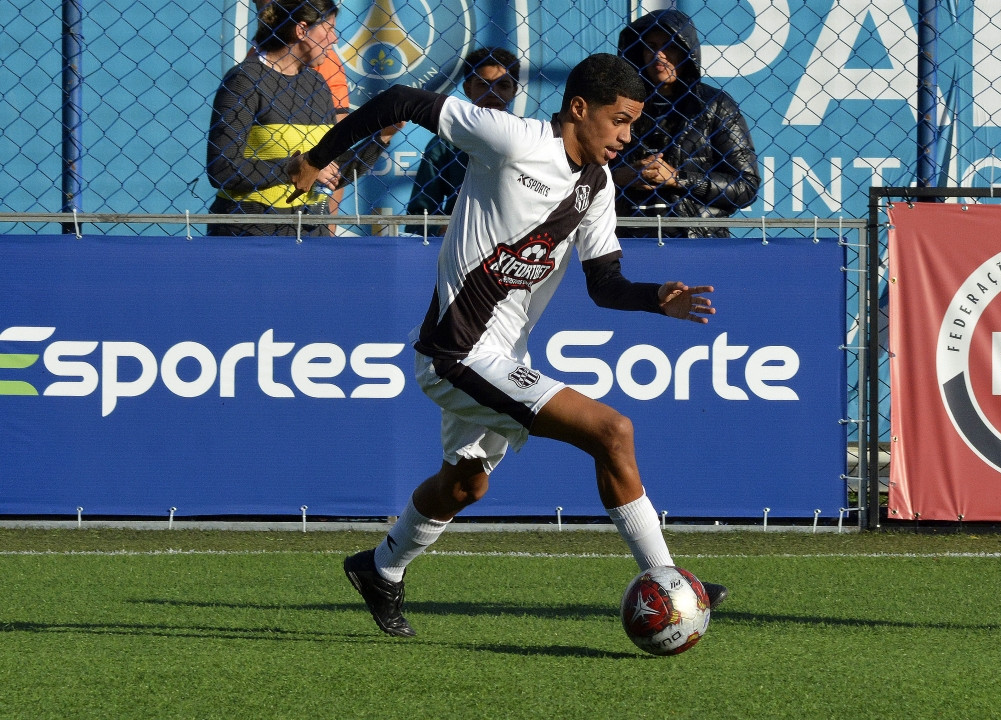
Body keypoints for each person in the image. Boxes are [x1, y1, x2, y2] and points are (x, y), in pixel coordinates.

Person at [287, 53, 728, 638]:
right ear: (579, 108)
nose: (628, 136)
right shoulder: (513, 139)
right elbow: (399, 100)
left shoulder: (595, 186)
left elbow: (605, 285)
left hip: (501, 359)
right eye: (619, 120)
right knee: (612, 431)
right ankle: (669, 581)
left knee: (467, 483)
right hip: (456, 354)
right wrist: (316, 159)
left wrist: (655, 299)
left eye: (632, 123)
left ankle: (380, 568)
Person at [206, 0, 395, 236]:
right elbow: (222, 169)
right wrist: (292, 168)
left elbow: (332, 171)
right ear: (302, 30)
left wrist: (381, 137)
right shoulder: (243, 81)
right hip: (249, 230)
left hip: (310, 233)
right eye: (329, 28)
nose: (335, 39)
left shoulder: (317, 84)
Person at [612, 9, 760, 238]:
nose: (659, 55)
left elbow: (746, 185)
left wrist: (678, 178)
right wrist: (622, 176)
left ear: (686, 51)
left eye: (669, 45)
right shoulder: (618, 104)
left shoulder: (715, 106)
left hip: (694, 243)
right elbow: (583, 176)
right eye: (650, 45)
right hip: (624, 242)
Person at [405, 47, 520, 235]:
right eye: (484, 84)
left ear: (514, 90)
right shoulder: (445, 143)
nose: (493, 92)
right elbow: (419, 215)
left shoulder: (530, 136)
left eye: (503, 85)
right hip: (461, 241)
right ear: (468, 89)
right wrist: (450, 231)